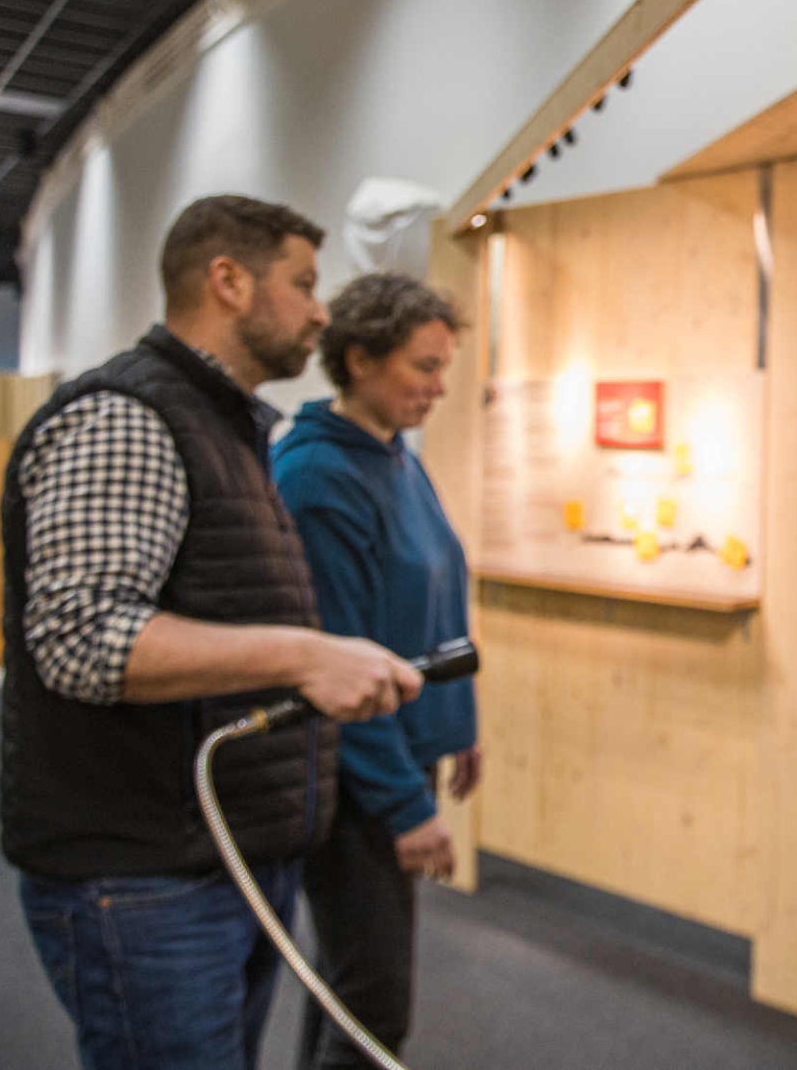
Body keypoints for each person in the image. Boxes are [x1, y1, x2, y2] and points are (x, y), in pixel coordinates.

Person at [2, 195, 424, 1070]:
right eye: (304, 283)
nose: (320, 309)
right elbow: (86, 637)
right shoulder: (129, 415)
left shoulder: (226, 429)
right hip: (144, 872)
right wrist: (305, 653)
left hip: (219, 856)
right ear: (227, 280)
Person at [272, 272, 479, 1069]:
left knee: (349, 982)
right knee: (374, 1007)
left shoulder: (394, 457)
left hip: (405, 751)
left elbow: (434, 602)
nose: (439, 387)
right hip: (356, 774)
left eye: (443, 366)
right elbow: (337, 664)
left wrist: (461, 724)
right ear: (359, 358)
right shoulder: (317, 478)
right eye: (422, 367)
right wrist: (403, 806)